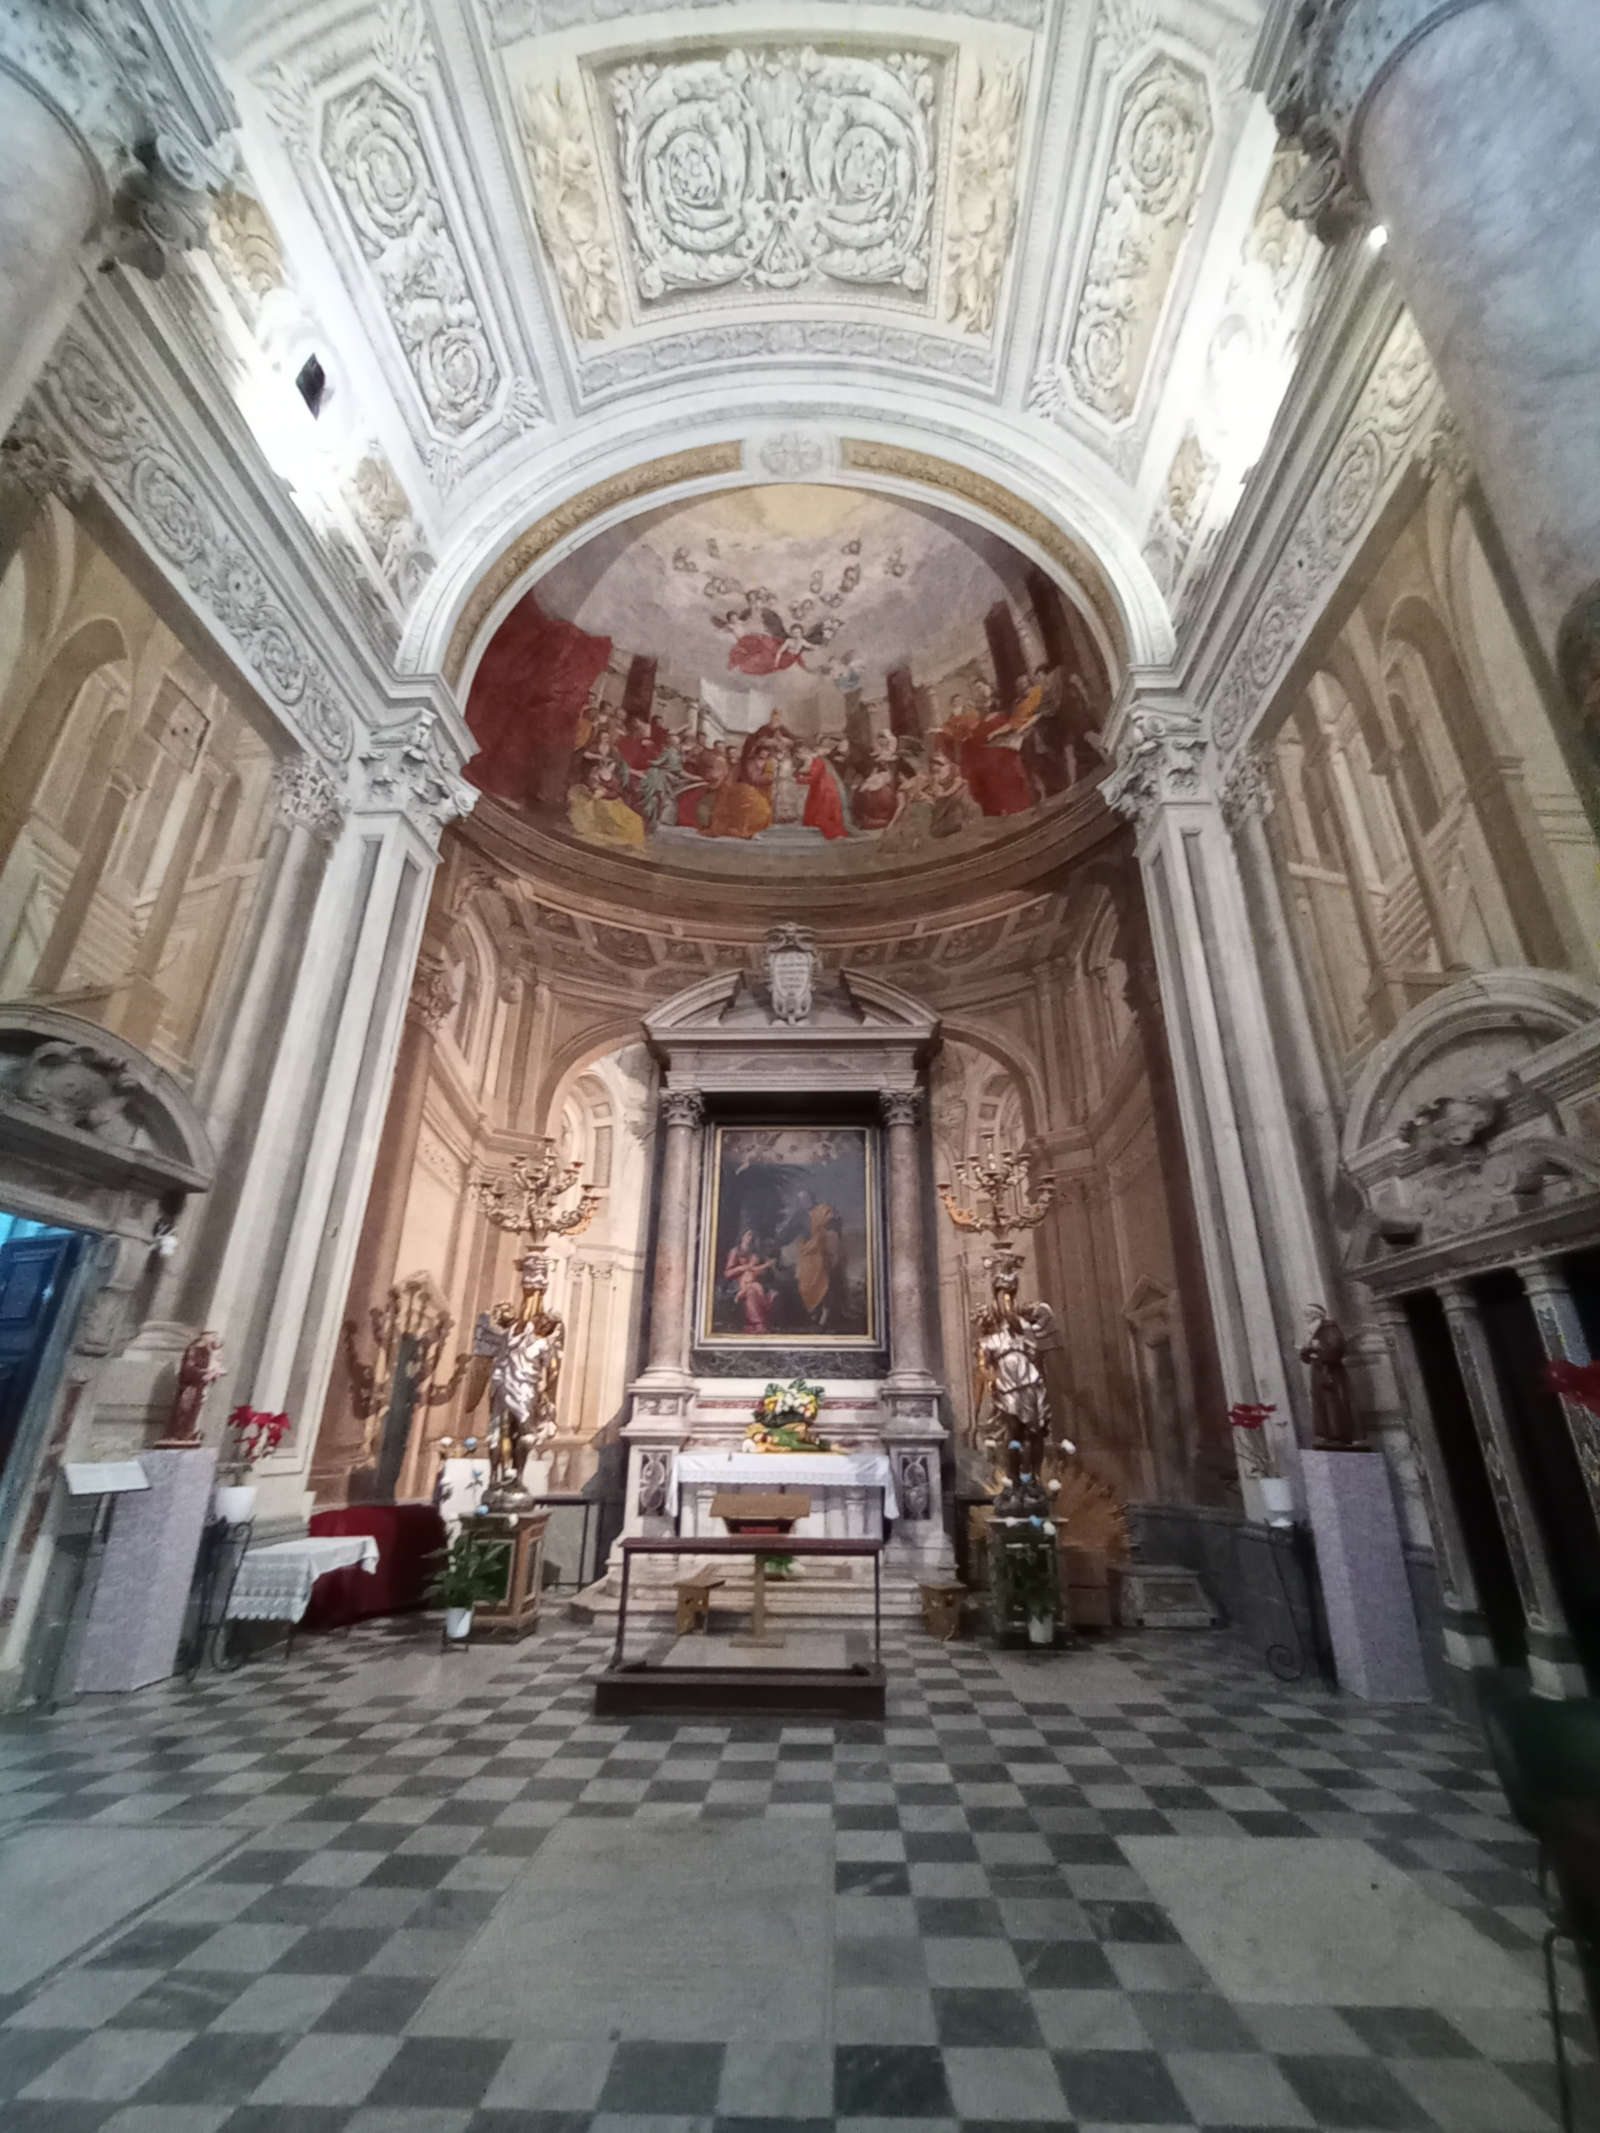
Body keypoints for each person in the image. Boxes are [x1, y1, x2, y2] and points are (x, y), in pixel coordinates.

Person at [724, 1230, 777, 1334]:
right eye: (748, 1235)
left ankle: (763, 1319)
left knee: (757, 1288)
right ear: (742, 1236)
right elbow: (727, 1273)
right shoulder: (735, 1251)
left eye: (752, 1235)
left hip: (753, 1280)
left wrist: (763, 1269)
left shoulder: (755, 1253)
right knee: (751, 1291)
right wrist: (742, 1267)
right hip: (737, 1283)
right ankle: (758, 1323)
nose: (750, 1238)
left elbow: (759, 1270)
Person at [851, 731, 903, 833]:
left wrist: (886, 777)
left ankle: (882, 816)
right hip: (879, 776)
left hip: (891, 778)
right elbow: (874, 768)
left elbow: (894, 771)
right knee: (862, 789)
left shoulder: (894, 755)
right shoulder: (876, 753)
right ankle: (866, 817)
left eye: (883, 739)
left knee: (880, 790)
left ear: (889, 740)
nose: (881, 741)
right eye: (879, 739)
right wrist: (870, 777)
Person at [802, 737, 851, 839]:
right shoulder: (821, 758)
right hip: (824, 785)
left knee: (825, 808)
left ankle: (832, 830)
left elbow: (813, 775)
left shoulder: (821, 760)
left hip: (825, 786)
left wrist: (801, 778)